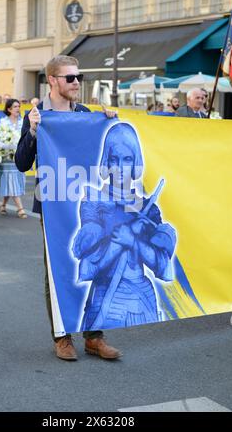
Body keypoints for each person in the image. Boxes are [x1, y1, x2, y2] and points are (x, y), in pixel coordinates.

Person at [15, 55, 120, 361]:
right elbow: (21, 163)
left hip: (87, 204)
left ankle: (94, 336)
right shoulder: (38, 115)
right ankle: (62, 337)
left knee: (96, 264)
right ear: (52, 81)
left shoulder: (87, 113)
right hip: (53, 203)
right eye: (70, 78)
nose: (76, 83)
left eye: (78, 77)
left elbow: (102, 154)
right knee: (58, 268)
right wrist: (33, 132)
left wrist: (109, 124)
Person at [72, 123, 176, 331]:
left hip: (142, 299)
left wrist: (133, 242)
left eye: (127, 159)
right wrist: (116, 244)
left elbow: (165, 270)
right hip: (105, 296)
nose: (120, 168)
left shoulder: (149, 208)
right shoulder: (94, 202)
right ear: (107, 162)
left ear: (135, 161)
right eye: (114, 159)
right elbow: (87, 268)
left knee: (147, 355)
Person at [0, 99, 27, 218]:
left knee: (13, 180)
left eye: (18, 106)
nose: (17, 109)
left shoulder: (23, 121)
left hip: (18, 155)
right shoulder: (2, 122)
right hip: (6, 157)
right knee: (11, 179)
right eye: (15, 107)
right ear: (9, 109)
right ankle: (20, 208)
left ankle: (3, 204)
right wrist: (5, 145)